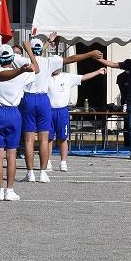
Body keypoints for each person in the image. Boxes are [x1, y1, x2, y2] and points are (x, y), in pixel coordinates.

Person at [20, 36, 103, 181]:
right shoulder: (48, 62)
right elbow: (72, 58)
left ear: (29, 50)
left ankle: (30, 173)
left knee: (29, 140)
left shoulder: (22, 60)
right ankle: (43, 173)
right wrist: (90, 54)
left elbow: (0, 57)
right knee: (45, 139)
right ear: (42, 50)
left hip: (28, 98)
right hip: (43, 100)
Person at [0, 44, 39, 201]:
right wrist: (29, 50)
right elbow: (36, 68)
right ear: (12, 58)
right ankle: (10, 190)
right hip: (14, 113)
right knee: (11, 154)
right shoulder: (20, 74)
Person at [47, 65, 105, 171]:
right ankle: (47, 162)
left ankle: (63, 162)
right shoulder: (46, 77)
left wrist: (97, 71)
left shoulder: (67, 77)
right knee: (48, 138)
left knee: (63, 137)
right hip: (48, 111)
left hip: (62, 110)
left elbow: (83, 77)